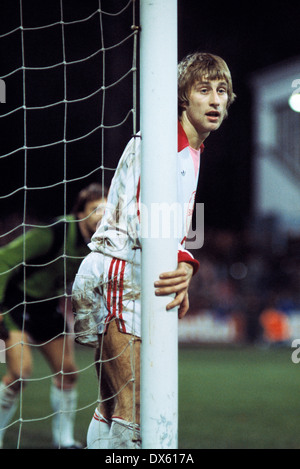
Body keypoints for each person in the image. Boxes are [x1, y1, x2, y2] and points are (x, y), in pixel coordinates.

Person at [72, 52, 236, 449]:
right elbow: (146, 215)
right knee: (136, 407)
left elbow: (174, 223)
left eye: (222, 91)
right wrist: (184, 260)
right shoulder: (165, 140)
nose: (215, 100)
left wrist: (186, 262)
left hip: (123, 270)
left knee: (113, 406)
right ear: (184, 97)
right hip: (120, 269)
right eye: (204, 90)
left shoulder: (191, 147)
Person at [0, 183, 107, 449]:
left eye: (108, 210)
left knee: (68, 373)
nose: (103, 216)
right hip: (16, 304)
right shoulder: (54, 232)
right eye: (96, 209)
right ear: (81, 212)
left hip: (48, 307)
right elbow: (3, 259)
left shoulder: (101, 244)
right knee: (20, 373)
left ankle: (64, 441)